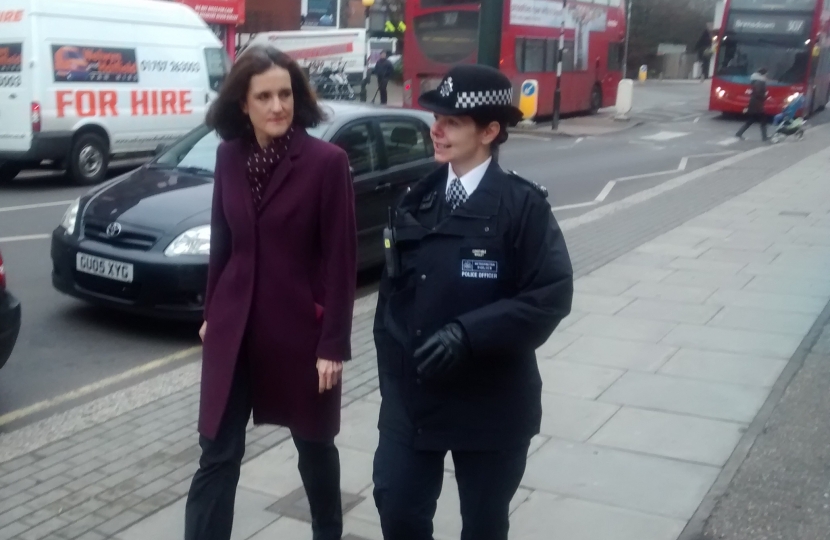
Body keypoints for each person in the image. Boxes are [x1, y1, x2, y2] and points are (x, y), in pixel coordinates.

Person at [371, 64, 573, 540]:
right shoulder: (416, 200)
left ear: (490, 130)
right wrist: (394, 373)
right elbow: (391, 299)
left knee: (483, 525)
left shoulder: (523, 206)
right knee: (397, 508)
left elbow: (551, 295)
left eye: (452, 122)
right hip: (414, 398)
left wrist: (468, 333)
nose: (435, 130)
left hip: (491, 401)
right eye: (436, 118)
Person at [184, 45, 357, 540]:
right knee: (216, 452)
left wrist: (333, 345)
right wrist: (211, 308)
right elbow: (223, 242)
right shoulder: (227, 156)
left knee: (314, 445)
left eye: (285, 94)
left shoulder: (327, 163)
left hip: (301, 332)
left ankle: (327, 529)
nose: (278, 106)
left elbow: (341, 262)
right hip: (233, 328)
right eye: (264, 96)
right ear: (243, 103)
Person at [736, 67, 770, 141]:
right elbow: (758, 93)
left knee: (751, 120)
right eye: (766, 74)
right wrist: (765, 96)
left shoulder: (756, 81)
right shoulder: (760, 82)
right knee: (763, 121)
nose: (767, 76)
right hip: (758, 105)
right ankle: (764, 137)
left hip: (754, 104)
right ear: (763, 74)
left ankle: (739, 133)